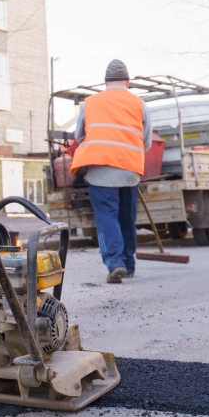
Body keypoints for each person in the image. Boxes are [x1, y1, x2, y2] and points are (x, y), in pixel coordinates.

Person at [70, 60, 152, 284]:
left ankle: (115, 264)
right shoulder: (139, 104)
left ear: (105, 82)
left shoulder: (90, 102)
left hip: (100, 170)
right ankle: (129, 264)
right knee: (127, 218)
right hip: (129, 170)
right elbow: (146, 141)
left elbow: (79, 136)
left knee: (107, 217)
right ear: (127, 82)